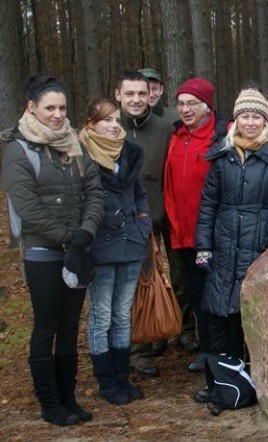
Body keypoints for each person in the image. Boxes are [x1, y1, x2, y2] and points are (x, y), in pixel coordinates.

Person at [1, 75, 104, 426]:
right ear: (32, 108)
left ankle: (68, 396)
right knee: (47, 325)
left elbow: (94, 191)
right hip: (43, 254)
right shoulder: (18, 149)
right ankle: (49, 401)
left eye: (62, 107)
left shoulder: (74, 143)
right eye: (50, 108)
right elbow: (27, 207)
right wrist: (67, 237)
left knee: (71, 324)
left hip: (77, 248)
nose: (58, 114)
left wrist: (85, 233)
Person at [196, 89, 268, 414]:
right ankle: (222, 383)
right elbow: (208, 203)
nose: (250, 122)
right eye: (245, 116)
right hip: (224, 242)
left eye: (256, 116)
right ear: (236, 119)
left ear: (265, 118)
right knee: (217, 311)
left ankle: (249, 382)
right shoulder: (222, 154)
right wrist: (203, 246)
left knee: (246, 312)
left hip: (259, 241)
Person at [79, 98, 150, 405]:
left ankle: (122, 377)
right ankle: (107, 381)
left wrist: (143, 226)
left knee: (122, 315)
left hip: (131, 244)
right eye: (106, 120)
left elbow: (141, 196)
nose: (113, 125)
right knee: (101, 316)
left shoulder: (130, 154)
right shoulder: (80, 156)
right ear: (91, 124)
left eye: (116, 120)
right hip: (100, 245)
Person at [115, 70, 183, 376]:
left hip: (166, 211)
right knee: (139, 282)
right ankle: (138, 348)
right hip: (129, 220)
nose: (136, 99)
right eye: (129, 94)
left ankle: (182, 329)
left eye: (142, 94)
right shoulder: (109, 126)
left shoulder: (165, 127)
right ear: (118, 95)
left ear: (151, 96)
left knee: (179, 274)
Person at [164, 76, 228, 402]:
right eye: (182, 104)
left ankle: (227, 357)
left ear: (207, 106)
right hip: (184, 235)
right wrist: (175, 228)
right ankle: (207, 351)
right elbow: (171, 185)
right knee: (198, 295)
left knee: (219, 298)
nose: (186, 109)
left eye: (193, 103)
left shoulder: (221, 136)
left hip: (215, 236)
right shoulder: (176, 136)